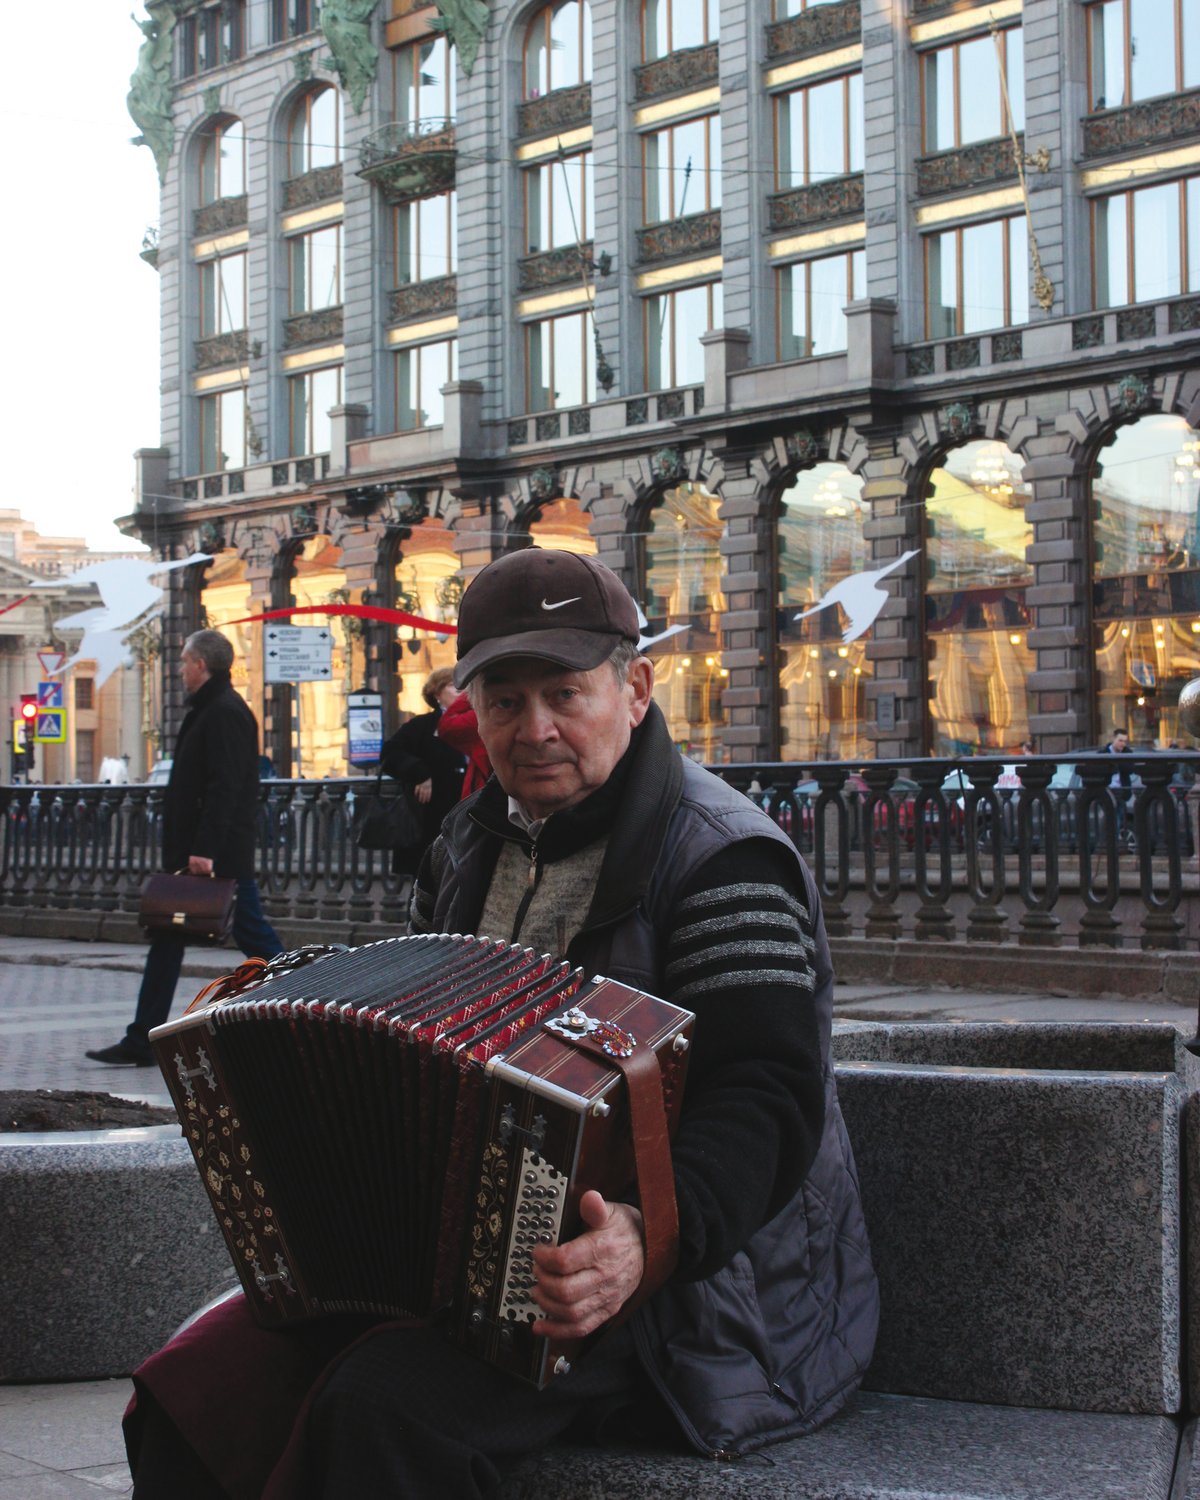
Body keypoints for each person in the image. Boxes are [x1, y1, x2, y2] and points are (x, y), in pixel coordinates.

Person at [122, 551, 877, 1496]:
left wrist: (645, 1237)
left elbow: (769, 1090)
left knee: (382, 1411)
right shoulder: (466, 845)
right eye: (506, 701)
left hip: (693, 1295)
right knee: (196, 1386)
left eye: (565, 694)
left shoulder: (723, 860)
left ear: (635, 690)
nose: (536, 729)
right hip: (464, 1257)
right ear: (472, 708)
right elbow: (397, 1046)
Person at [86, 629, 283, 1067]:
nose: (178, 670)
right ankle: (141, 1038)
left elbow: (225, 787)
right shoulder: (210, 708)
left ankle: (308, 1003)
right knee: (167, 936)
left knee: (256, 938)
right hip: (201, 854)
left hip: (216, 856)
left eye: (183, 661)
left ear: (200, 665)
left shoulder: (225, 711)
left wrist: (205, 850)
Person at [376, 666, 466, 874]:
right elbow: (390, 754)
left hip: (470, 816)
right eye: (452, 685)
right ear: (436, 694)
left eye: (464, 685)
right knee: (431, 880)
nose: (460, 690)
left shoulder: (481, 722)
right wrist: (419, 773)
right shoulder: (422, 726)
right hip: (431, 820)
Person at [436, 687, 492, 798]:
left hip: (484, 793)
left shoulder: (481, 716)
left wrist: (472, 690)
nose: (458, 690)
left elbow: (446, 726)